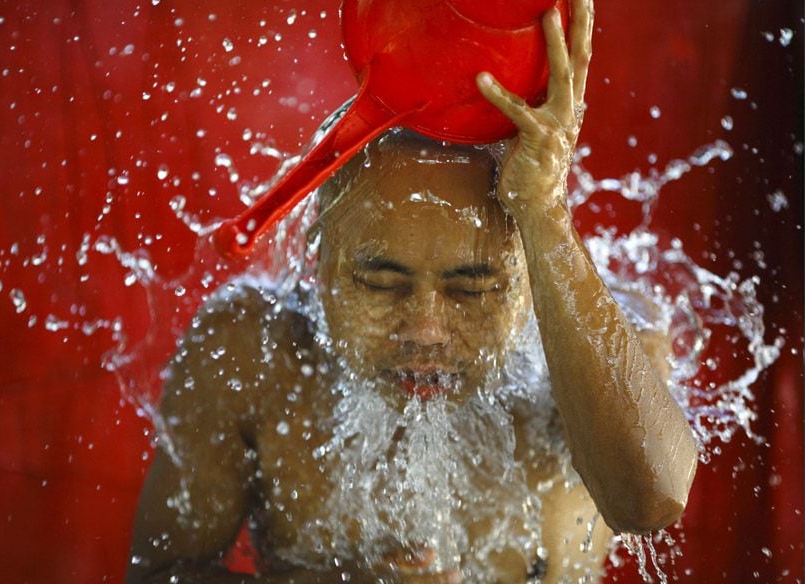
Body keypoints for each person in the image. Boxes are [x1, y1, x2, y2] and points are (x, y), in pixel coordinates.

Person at [126, 1, 698, 582]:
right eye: (381, 282)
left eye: (471, 291)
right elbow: (158, 573)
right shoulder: (252, 354)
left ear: (530, 277)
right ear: (315, 261)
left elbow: (648, 503)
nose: (425, 329)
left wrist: (543, 213)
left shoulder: (606, 347)